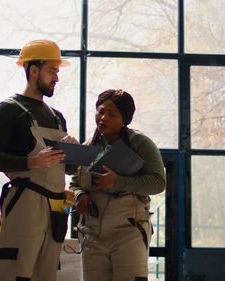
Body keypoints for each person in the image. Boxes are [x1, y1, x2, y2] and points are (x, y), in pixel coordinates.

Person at [0, 39, 77, 281]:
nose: (56, 77)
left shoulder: (57, 117)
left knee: (47, 275)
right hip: (25, 202)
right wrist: (33, 162)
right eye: (52, 71)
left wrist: (74, 154)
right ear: (33, 70)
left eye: (57, 71)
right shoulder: (8, 110)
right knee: (17, 274)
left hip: (56, 206)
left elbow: (68, 169)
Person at [69, 89, 166, 281]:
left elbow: (158, 182)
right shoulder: (88, 146)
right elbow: (74, 182)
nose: (103, 118)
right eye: (100, 111)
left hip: (128, 232)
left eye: (111, 114)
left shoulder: (140, 143)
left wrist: (118, 182)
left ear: (125, 119)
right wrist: (80, 195)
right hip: (92, 236)